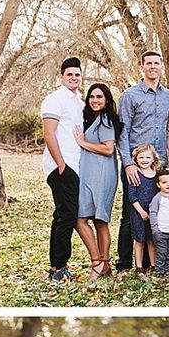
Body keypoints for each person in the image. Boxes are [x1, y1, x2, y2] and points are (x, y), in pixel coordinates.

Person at [116, 51, 169, 271]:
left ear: (161, 66)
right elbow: (122, 132)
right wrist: (128, 164)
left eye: (156, 63)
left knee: (157, 211)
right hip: (135, 166)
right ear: (141, 66)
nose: (153, 67)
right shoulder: (130, 96)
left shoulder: (168, 96)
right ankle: (124, 262)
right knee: (131, 212)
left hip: (158, 166)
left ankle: (153, 262)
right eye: (148, 63)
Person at [41, 56, 84, 282]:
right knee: (68, 216)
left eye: (77, 74)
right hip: (61, 166)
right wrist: (60, 164)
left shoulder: (79, 101)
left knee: (60, 215)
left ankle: (55, 265)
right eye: (70, 75)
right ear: (61, 76)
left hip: (75, 165)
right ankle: (60, 267)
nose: (74, 78)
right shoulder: (54, 99)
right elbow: (49, 133)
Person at [74, 83, 122, 280]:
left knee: (96, 220)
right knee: (88, 219)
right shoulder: (92, 119)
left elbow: (109, 149)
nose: (95, 100)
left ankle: (99, 263)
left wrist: (83, 142)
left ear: (107, 100)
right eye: (92, 97)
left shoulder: (106, 121)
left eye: (99, 97)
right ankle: (103, 264)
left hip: (102, 175)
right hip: (89, 174)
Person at [127, 143, 160, 274]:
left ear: (153, 159)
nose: (144, 160)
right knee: (140, 240)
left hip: (153, 212)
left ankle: (153, 265)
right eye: (141, 157)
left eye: (147, 157)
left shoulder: (157, 174)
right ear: (135, 159)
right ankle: (139, 266)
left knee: (151, 240)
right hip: (138, 212)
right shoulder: (135, 174)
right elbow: (132, 196)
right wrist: (141, 212)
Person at [149, 169, 169, 277]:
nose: (168, 185)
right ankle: (159, 272)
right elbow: (153, 213)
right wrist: (155, 229)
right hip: (161, 231)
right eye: (164, 183)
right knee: (161, 252)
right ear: (158, 185)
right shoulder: (157, 198)